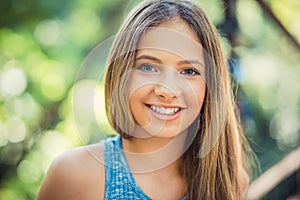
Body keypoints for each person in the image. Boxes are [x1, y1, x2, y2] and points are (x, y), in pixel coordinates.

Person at [38, 0, 252, 199]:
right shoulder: (74, 174)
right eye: (148, 67)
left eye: (188, 71)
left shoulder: (229, 182)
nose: (167, 91)